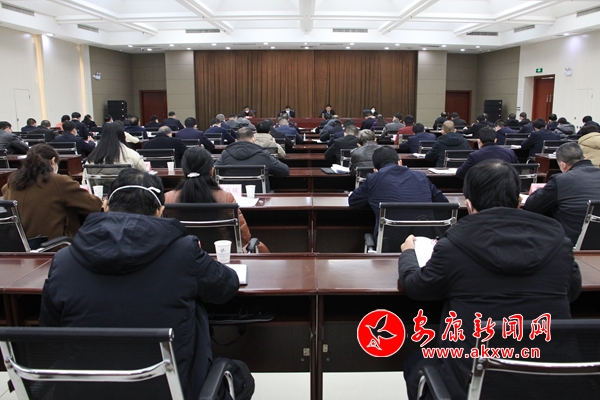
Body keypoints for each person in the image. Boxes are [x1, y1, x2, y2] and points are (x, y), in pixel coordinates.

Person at [39, 168, 241, 400]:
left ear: (105, 205)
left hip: (84, 392)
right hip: (169, 391)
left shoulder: (64, 260)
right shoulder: (184, 252)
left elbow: (50, 335)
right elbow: (226, 286)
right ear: (160, 211)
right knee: (241, 378)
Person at [399, 159, 581, 400]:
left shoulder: (453, 246)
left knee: (416, 359)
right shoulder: (559, 242)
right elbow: (572, 291)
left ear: (469, 205)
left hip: (474, 384)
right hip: (555, 382)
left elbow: (416, 287)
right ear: (519, 202)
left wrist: (408, 254)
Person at [165, 147, 270, 253]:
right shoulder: (226, 197)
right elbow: (244, 237)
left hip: (181, 255)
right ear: (212, 170)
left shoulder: (168, 198)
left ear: (183, 171)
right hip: (223, 255)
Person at [2, 144, 102, 239]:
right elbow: (94, 206)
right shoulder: (58, 181)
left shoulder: (12, 182)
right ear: (53, 161)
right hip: (56, 244)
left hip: (21, 244)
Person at [349, 146, 448, 235]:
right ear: (400, 162)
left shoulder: (373, 179)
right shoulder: (421, 176)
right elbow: (444, 203)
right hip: (423, 239)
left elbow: (353, 201)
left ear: (375, 168)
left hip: (388, 242)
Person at [524, 142, 600, 246]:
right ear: (584, 157)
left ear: (563, 165)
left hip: (570, 243)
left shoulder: (560, 180)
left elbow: (532, 206)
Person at [215, 127, 289, 193]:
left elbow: (213, 172)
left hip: (232, 198)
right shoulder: (263, 155)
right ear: (253, 138)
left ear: (236, 140)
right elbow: (284, 171)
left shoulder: (225, 154)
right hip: (260, 199)